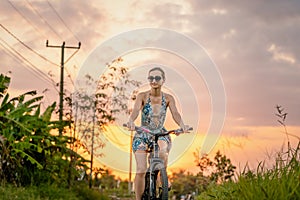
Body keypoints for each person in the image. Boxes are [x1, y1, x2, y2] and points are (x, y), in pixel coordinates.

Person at [127, 67, 189, 200]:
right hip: (143, 134)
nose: (153, 81)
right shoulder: (142, 96)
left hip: (160, 133)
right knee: (141, 169)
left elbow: (175, 114)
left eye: (157, 78)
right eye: (151, 78)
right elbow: (136, 110)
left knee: (162, 152)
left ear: (163, 80)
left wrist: (182, 126)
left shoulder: (168, 98)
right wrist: (131, 121)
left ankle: (162, 177)